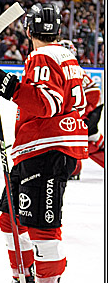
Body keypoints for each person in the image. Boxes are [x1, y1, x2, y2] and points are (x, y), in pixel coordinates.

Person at [0, 3, 89, 283]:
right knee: (10, 217)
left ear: (28, 31)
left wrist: (9, 87)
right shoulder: (67, 56)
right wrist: (10, 86)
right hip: (39, 149)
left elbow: (47, 102)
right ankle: (26, 282)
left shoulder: (42, 57)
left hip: (48, 148)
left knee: (42, 224)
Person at [58, 39, 103, 180]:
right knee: (89, 139)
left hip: (92, 110)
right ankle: (72, 168)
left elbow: (94, 93)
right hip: (91, 109)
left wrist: (83, 114)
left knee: (72, 139)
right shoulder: (68, 69)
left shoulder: (71, 70)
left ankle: (72, 169)